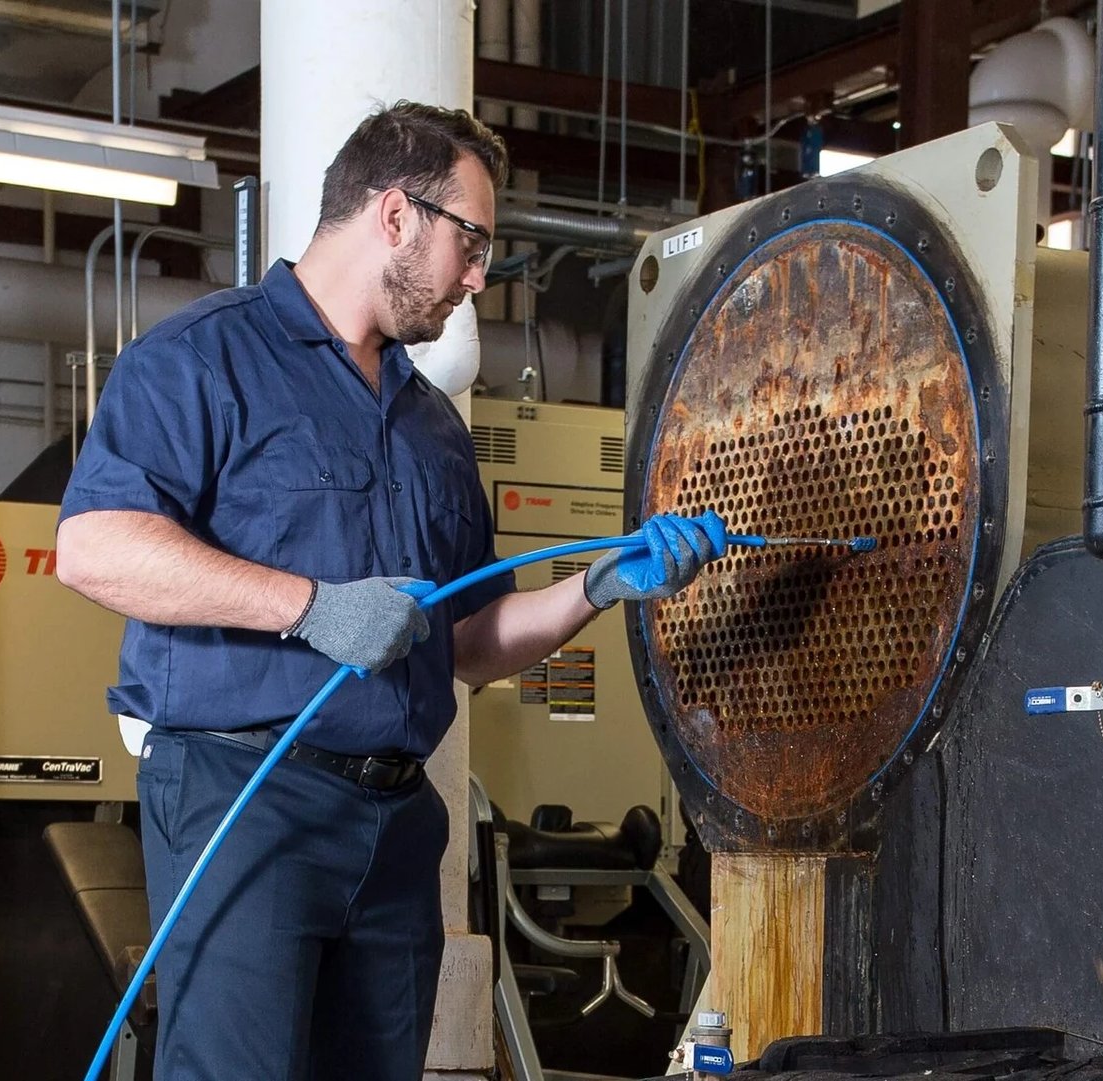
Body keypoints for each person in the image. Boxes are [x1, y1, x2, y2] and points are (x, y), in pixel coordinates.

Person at [54, 102, 724, 1081]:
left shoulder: (433, 427)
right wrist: (311, 607)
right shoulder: (202, 360)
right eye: (472, 243)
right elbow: (93, 547)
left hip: (397, 820)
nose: (478, 277)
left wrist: (597, 585)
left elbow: (467, 643)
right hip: (245, 796)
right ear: (396, 214)